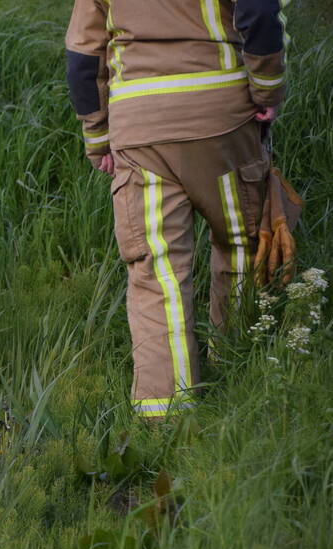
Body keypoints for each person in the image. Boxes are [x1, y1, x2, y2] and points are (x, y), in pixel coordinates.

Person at [65, 0, 290, 419]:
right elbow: (259, 12)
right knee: (241, 243)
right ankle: (238, 372)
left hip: (140, 128)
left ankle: (164, 413)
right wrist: (267, 87)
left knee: (156, 270)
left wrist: (96, 134)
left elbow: (82, 53)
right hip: (222, 115)